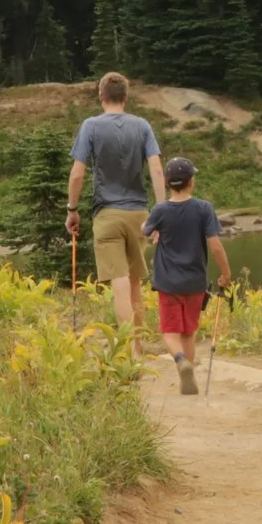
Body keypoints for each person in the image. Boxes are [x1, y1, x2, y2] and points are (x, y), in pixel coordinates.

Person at [65, 72, 168, 333]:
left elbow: (77, 174)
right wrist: (162, 210)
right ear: (126, 97)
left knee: (120, 283)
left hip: (107, 214)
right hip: (138, 215)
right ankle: (139, 348)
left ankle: (126, 349)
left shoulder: (91, 126)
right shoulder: (142, 125)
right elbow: (156, 170)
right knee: (135, 283)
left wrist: (72, 210)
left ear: (101, 96)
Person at [144, 156, 232, 394]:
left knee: (169, 332)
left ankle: (181, 361)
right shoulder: (204, 208)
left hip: (167, 283)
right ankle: (189, 375)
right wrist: (226, 273)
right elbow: (215, 245)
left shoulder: (160, 210)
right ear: (192, 182)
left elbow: (146, 231)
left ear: (167, 185)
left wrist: (156, 233)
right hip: (195, 283)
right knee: (188, 332)